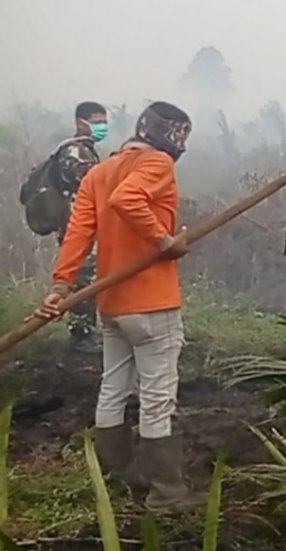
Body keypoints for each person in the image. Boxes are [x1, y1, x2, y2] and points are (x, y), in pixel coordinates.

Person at [36, 101, 196, 510]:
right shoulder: (157, 163)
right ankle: (166, 491)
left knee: (113, 387)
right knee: (158, 396)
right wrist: (164, 241)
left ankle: (119, 472)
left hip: (112, 303)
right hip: (152, 303)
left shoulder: (100, 170)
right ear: (167, 136)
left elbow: (78, 231)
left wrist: (61, 283)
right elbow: (129, 200)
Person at [56, 101, 109, 353]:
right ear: (81, 122)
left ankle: (86, 328)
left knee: (88, 274)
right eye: (97, 121)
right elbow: (91, 186)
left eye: (104, 122)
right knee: (82, 275)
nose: (103, 127)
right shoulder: (75, 153)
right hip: (76, 224)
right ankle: (80, 333)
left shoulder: (87, 150)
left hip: (85, 222)